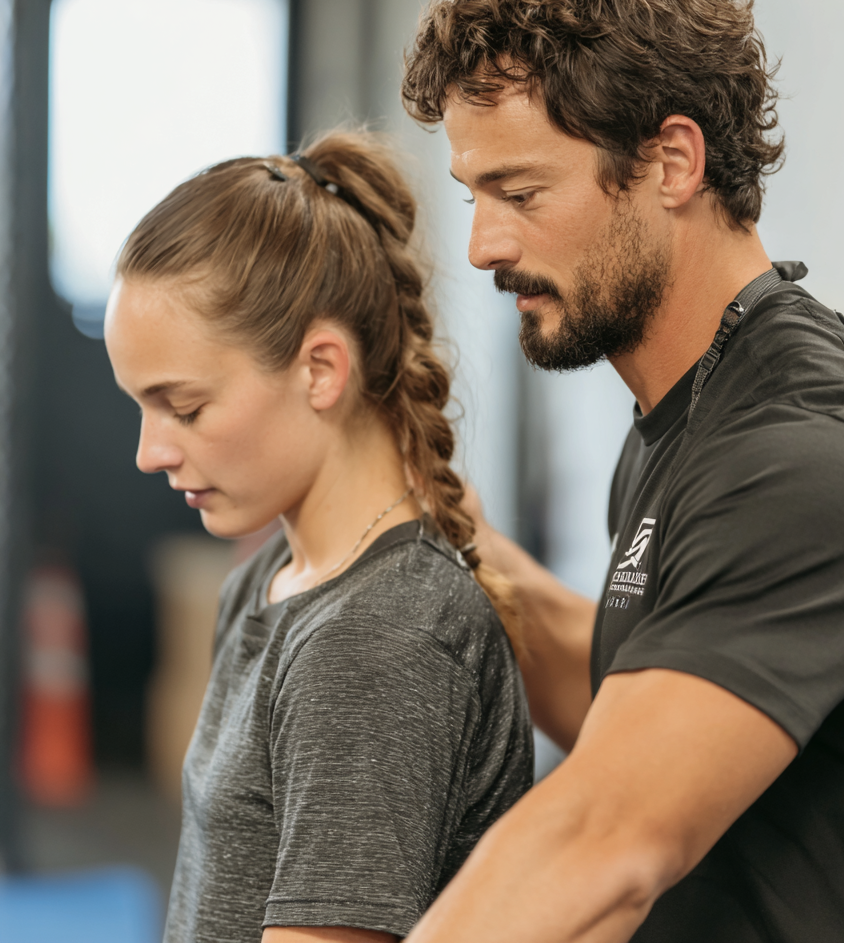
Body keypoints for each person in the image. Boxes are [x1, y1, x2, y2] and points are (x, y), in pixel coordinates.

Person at [398, 0, 844, 941]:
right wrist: (405, 506)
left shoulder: (813, 457)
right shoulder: (685, 416)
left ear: (671, 162)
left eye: (519, 192)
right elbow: (629, 706)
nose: (481, 245)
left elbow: (602, 835)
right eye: (473, 195)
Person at [103, 131, 533, 943]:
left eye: (185, 408)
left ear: (320, 370)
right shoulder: (272, 578)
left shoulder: (378, 639)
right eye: (142, 409)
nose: (150, 452)